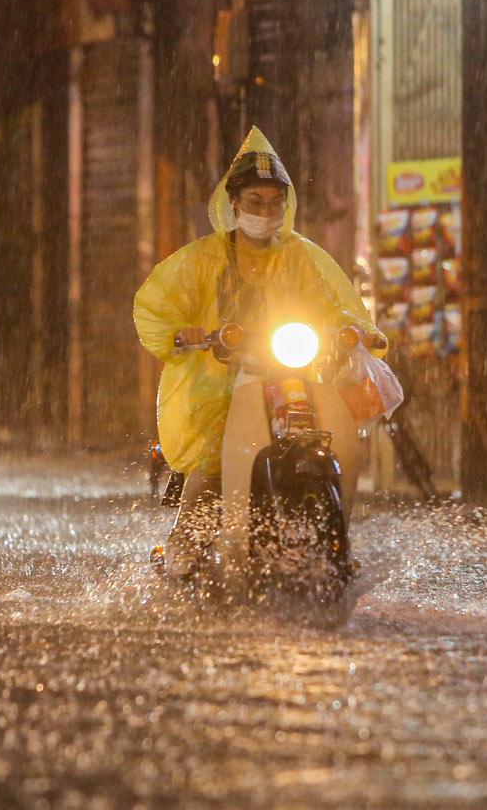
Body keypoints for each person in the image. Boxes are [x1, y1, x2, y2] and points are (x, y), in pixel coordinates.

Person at [133, 129, 375, 577]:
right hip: (217, 380)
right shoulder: (203, 258)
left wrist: (352, 329)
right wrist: (183, 334)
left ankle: (341, 540)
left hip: (290, 371)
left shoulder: (301, 256)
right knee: (209, 462)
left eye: (274, 202)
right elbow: (158, 305)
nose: (266, 212)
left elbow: (334, 301)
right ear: (235, 202)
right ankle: (184, 544)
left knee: (337, 433)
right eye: (256, 201)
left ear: (287, 205)